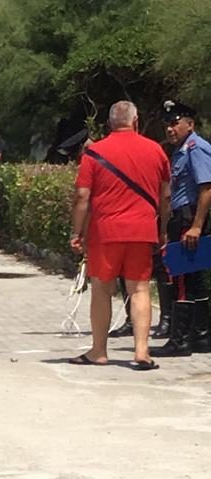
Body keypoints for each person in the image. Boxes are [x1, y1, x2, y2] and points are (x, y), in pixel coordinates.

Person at [69, 101, 170, 369]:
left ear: (110, 124)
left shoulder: (95, 153)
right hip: (142, 230)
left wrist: (76, 232)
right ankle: (141, 352)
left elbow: (82, 196)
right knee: (139, 289)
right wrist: (162, 230)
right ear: (135, 122)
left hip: (105, 232)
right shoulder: (156, 150)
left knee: (102, 289)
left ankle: (99, 351)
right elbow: (166, 195)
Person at [156, 99, 211, 355]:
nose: (169, 128)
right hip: (183, 219)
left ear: (190, 124)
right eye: (167, 124)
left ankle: (179, 341)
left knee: (181, 281)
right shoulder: (181, 150)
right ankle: (200, 336)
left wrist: (197, 226)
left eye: (175, 123)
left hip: (190, 220)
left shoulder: (195, 148)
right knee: (194, 280)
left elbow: (206, 189)